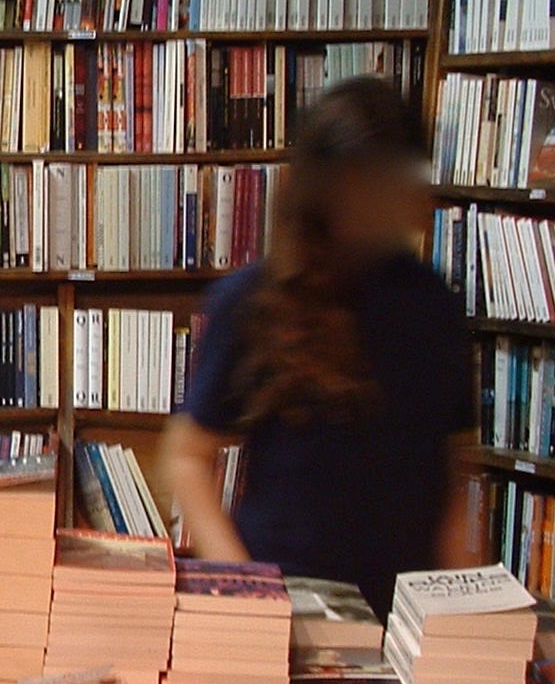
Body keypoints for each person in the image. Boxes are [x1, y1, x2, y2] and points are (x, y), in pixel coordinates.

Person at [162, 74, 477, 621]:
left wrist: (466, 621)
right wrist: (251, 595)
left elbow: (453, 479)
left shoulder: (434, 306)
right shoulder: (254, 300)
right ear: (336, 187)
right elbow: (186, 457)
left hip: (408, 620)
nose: (413, 200)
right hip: (293, 616)